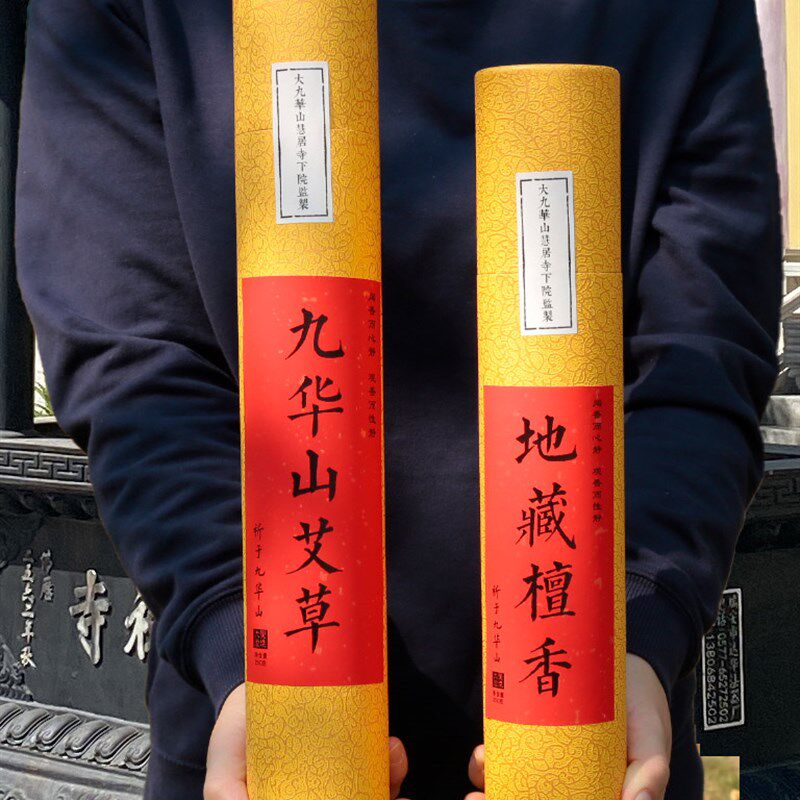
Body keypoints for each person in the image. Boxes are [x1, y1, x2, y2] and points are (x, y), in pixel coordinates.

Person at [14, 1, 782, 799]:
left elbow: (703, 351)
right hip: (265, 739)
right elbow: (133, 353)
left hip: (598, 738)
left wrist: (639, 629)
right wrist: (241, 642)